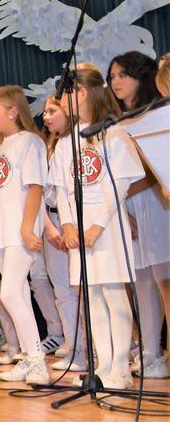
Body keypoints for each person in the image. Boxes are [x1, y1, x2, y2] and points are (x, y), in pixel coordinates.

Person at [51, 68, 144, 389]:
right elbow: (61, 189)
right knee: (92, 297)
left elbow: (119, 186)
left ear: (83, 93)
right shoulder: (66, 142)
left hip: (107, 227)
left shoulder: (113, 134)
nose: (62, 101)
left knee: (114, 294)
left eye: (67, 94)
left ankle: (120, 367)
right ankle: (103, 365)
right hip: (78, 230)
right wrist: (67, 224)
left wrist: (97, 226)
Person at [108, 52, 169, 378]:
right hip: (130, 208)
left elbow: (153, 170)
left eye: (123, 75)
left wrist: (120, 194)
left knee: (163, 279)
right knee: (141, 280)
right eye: (112, 76)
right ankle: (150, 351)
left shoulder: (158, 115)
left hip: (157, 204)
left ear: (142, 77)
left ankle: (159, 353)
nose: (116, 82)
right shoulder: (119, 121)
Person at [0, 85, 49, 385]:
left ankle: (38, 361)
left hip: (19, 230)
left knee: (9, 292)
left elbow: (35, 186)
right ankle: (27, 355)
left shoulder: (30, 142)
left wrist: (27, 226)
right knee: (17, 293)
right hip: (0, 231)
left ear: (12, 111)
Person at [41, 95, 86, 371]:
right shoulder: (49, 145)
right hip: (53, 220)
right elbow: (40, 191)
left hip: (75, 219)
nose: (46, 117)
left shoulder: (80, 141)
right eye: (44, 112)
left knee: (82, 288)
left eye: (52, 110)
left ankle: (94, 347)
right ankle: (75, 347)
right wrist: (48, 226)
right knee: (61, 289)